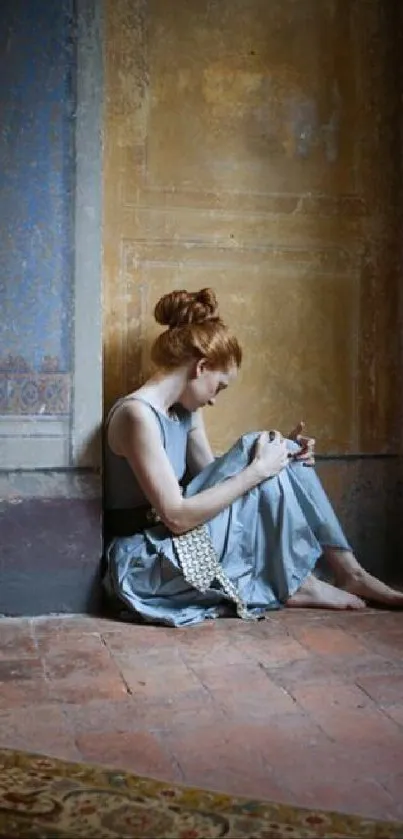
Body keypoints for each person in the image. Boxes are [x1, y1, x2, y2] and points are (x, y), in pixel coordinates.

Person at [103, 287, 403, 627]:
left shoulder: (184, 412)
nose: (214, 400)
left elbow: (216, 479)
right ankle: (302, 582)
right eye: (219, 387)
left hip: (178, 542)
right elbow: (177, 516)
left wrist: (284, 463)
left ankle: (349, 572)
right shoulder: (136, 415)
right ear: (201, 367)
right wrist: (259, 469)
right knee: (258, 451)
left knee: (277, 448)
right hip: (147, 561)